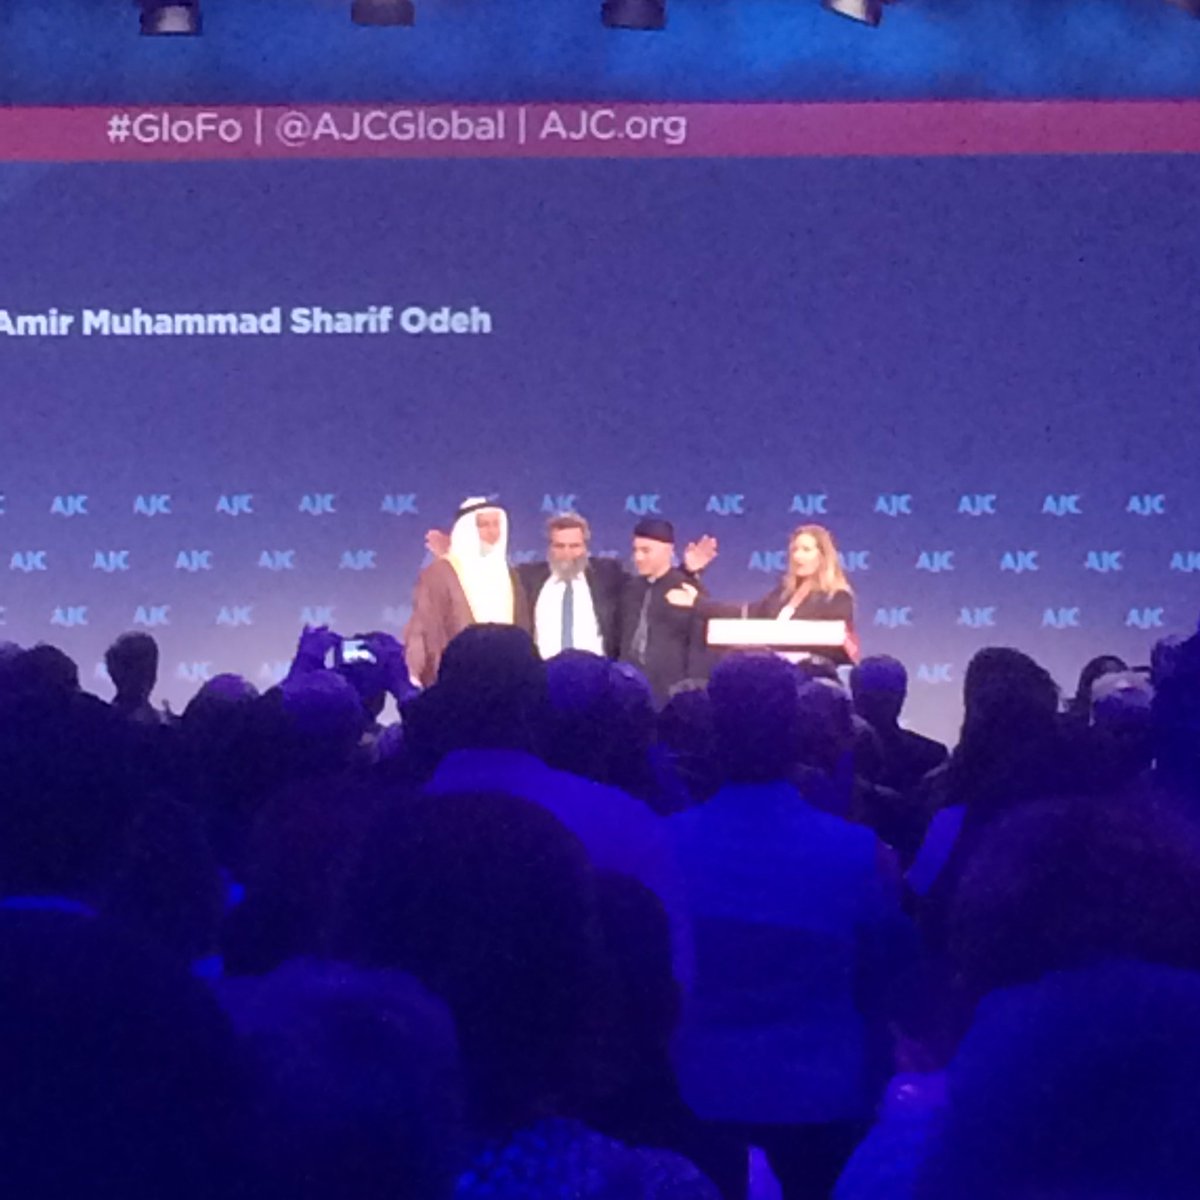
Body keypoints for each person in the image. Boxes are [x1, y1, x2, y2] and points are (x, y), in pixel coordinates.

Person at [669, 652, 912, 1200]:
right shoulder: (859, 853)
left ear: (714, 731)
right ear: (795, 732)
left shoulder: (665, 845)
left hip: (700, 1093)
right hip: (825, 1097)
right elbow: (883, 986)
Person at [667, 524, 858, 662]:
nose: (797, 556)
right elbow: (745, 613)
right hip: (776, 674)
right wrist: (697, 603)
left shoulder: (838, 598)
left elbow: (833, 647)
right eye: (794, 550)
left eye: (806, 550)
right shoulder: (783, 594)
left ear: (823, 556)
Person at [405, 498, 531, 687]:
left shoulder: (510, 574)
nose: (492, 532)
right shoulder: (439, 573)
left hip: (507, 682)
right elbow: (422, 627)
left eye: (496, 524)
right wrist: (413, 674)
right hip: (457, 681)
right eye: (484, 525)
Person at [618, 518, 713, 704]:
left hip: (672, 692)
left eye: (646, 551)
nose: (638, 557)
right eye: (635, 550)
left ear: (668, 551)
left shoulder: (687, 590)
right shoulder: (629, 589)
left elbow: (699, 647)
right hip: (628, 691)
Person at [105, 632, 166, 726]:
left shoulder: (167, 724)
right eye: (138, 668)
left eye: (151, 668)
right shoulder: (100, 725)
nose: (147, 675)